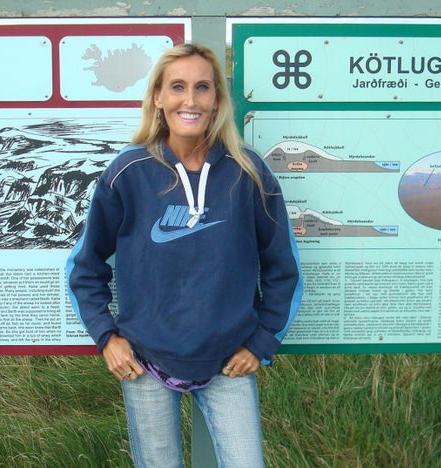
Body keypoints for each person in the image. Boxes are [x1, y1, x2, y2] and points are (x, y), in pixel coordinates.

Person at [66, 43, 303, 467]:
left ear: (217, 101)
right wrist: (107, 337)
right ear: (158, 97)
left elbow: (283, 267)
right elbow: (85, 267)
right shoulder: (128, 172)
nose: (189, 100)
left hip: (229, 360)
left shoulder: (248, 172)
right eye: (177, 87)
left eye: (202, 88)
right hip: (144, 361)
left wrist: (262, 341)